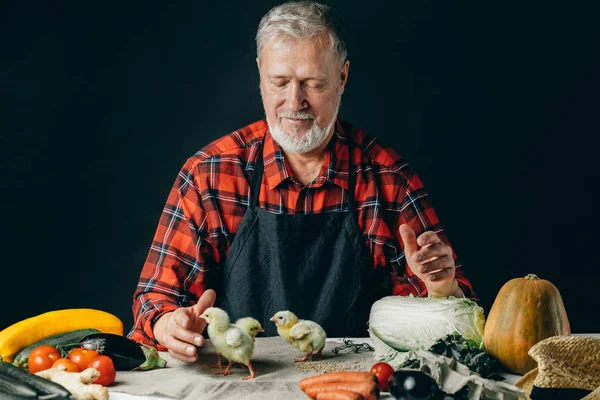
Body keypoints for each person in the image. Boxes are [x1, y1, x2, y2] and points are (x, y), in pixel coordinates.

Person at [128, 1, 475, 362]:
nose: (295, 102)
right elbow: (156, 298)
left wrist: (441, 289)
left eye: (313, 83)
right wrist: (168, 324)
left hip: (354, 379)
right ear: (260, 73)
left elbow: (454, 325)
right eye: (280, 82)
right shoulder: (210, 175)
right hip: (242, 382)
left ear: (342, 77)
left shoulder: (389, 180)